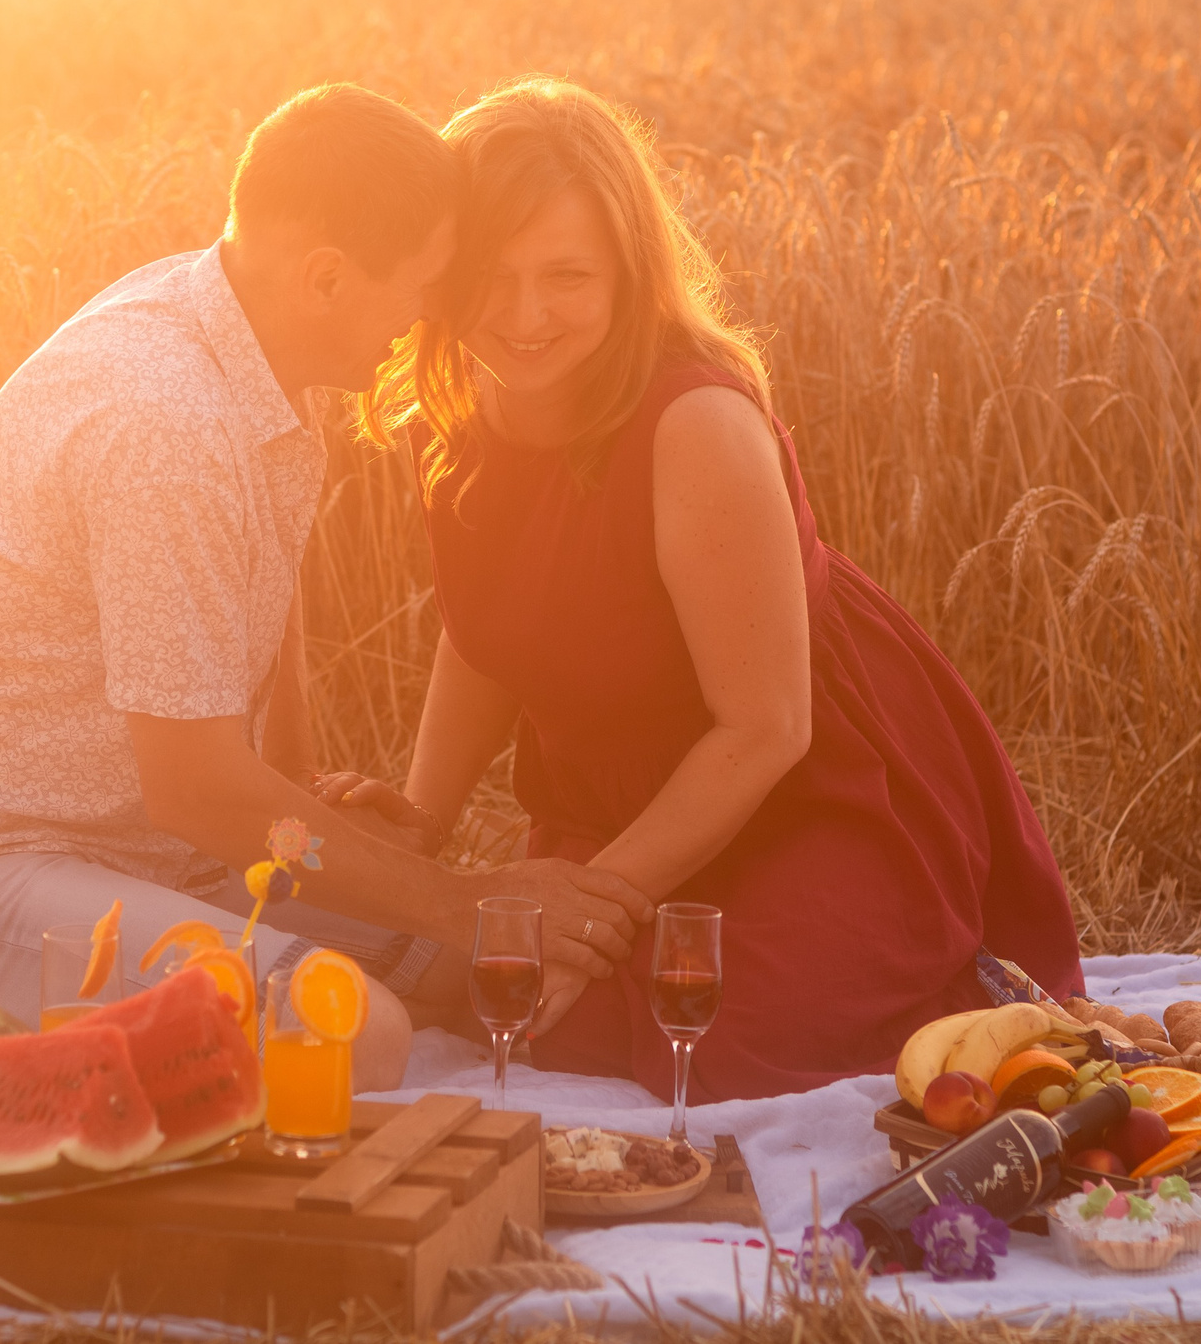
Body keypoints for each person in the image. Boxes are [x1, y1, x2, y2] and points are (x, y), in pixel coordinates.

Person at [0, 83, 654, 1087]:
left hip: (140, 851)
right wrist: (456, 894)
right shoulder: (164, 423)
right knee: (357, 1033)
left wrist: (300, 813)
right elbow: (195, 784)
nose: (431, 312)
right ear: (328, 275)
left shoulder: (253, 338)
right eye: (421, 283)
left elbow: (262, 595)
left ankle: (52, 1009)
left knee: (489, 973)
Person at [322, 78, 1085, 1101]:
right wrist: (422, 817)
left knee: (716, 1031)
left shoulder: (695, 425)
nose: (524, 314)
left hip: (809, 794)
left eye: (566, 274)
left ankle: (950, 962)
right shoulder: (468, 400)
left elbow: (764, 728)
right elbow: (487, 627)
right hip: (627, 801)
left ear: (631, 273)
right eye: (490, 276)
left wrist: (590, 919)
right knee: (531, 1004)